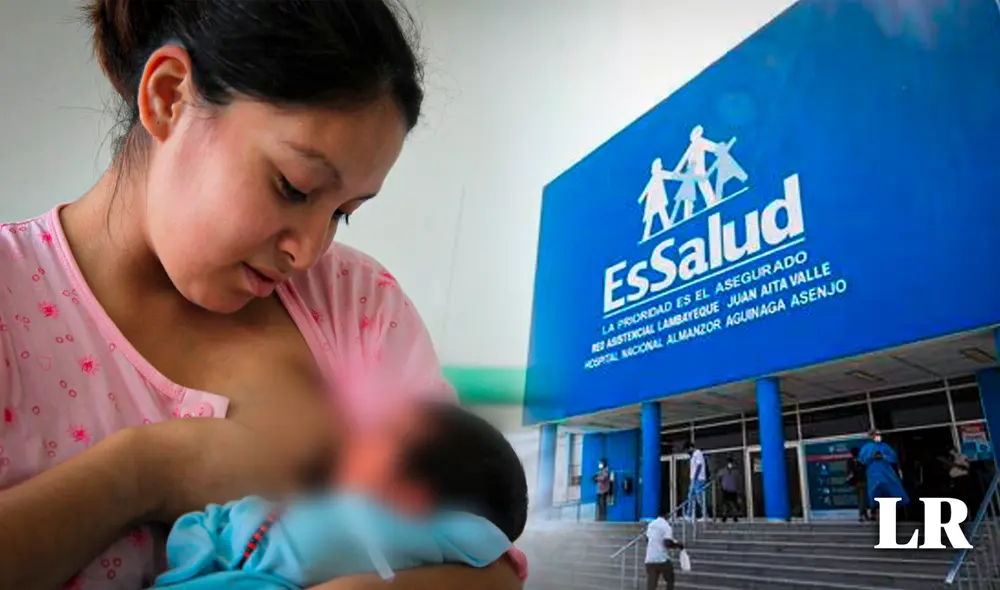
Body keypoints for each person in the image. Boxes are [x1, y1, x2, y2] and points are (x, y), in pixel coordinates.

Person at [0, 2, 526, 589]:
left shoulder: (356, 305)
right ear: (169, 97)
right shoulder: (10, 297)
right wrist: (145, 472)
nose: (309, 251)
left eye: (343, 215)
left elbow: (488, 563)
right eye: (294, 187)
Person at [154, 402, 528, 588]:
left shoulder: (371, 525)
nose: (354, 438)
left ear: (411, 495)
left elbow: (490, 542)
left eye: (379, 433)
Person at [858, 430, 908, 520]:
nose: (878, 436)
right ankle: (876, 513)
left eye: (878, 434)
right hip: (874, 476)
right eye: (876, 435)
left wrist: (883, 457)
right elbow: (862, 460)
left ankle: (895, 513)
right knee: (876, 494)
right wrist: (871, 457)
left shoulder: (885, 446)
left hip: (887, 474)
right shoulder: (866, 448)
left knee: (891, 492)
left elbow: (893, 458)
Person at [644, 506, 683, 590]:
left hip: (649, 558)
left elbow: (647, 539)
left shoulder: (651, 524)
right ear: (667, 515)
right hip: (661, 559)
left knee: (651, 584)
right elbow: (667, 543)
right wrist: (677, 545)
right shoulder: (666, 526)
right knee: (670, 578)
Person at [845, 447, 870, 522]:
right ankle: (861, 515)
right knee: (863, 499)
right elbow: (865, 469)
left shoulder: (850, 461)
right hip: (862, 481)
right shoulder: (861, 460)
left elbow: (848, 471)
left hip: (856, 482)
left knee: (861, 499)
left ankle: (864, 514)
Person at [684, 442, 708, 521]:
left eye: (687, 449)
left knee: (699, 497)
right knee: (690, 496)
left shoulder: (698, 453)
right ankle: (689, 514)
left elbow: (699, 465)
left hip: (698, 479)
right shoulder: (693, 455)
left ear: (691, 447)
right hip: (693, 479)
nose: (687, 451)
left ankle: (705, 515)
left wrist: (695, 477)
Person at [717, 457, 742, 523]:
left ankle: (735, 516)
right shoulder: (722, 471)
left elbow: (739, 481)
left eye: (731, 463)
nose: (730, 464)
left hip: (734, 490)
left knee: (733, 504)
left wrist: (739, 491)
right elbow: (718, 479)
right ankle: (724, 516)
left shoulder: (736, 472)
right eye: (729, 463)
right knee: (725, 504)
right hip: (725, 490)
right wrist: (720, 487)